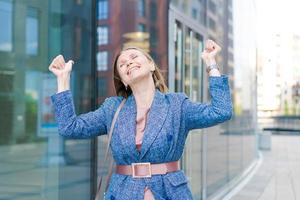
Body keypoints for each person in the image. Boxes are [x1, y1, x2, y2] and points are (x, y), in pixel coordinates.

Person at [49, 39, 233, 200]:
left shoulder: (177, 105)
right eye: (122, 64)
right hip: (123, 193)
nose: (128, 63)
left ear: (151, 65)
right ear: (123, 80)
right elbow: (69, 127)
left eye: (134, 57)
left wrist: (211, 63)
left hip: (170, 192)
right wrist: (63, 79)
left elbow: (221, 111)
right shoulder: (112, 108)